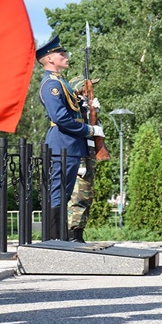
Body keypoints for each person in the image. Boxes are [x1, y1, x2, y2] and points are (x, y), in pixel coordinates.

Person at [36, 35, 104, 240]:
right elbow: (61, 118)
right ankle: (53, 237)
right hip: (62, 143)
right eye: (61, 53)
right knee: (58, 191)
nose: (66, 56)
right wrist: (90, 131)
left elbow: (71, 111)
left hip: (71, 145)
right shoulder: (51, 85)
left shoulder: (61, 82)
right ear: (49, 59)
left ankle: (61, 237)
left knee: (64, 192)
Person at [66, 76, 102, 243]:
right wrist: (83, 109)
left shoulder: (87, 106)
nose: (90, 92)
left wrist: (94, 113)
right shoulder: (73, 106)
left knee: (87, 195)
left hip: (89, 153)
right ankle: (72, 234)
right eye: (86, 88)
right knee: (78, 195)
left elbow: (95, 130)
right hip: (78, 155)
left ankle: (79, 231)